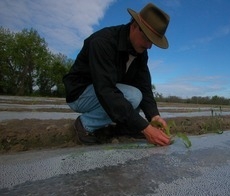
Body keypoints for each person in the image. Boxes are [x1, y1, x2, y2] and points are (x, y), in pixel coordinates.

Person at [63, 3, 171, 146]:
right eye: (147, 38)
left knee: (138, 94)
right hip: (80, 94)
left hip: (103, 92)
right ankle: (84, 124)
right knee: (133, 96)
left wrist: (154, 116)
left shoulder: (141, 53)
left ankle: (122, 129)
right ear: (134, 26)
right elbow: (106, 90)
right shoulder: (103, 42)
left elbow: (144, 86)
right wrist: (145, 128)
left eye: (152, 42)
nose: (149, 46)